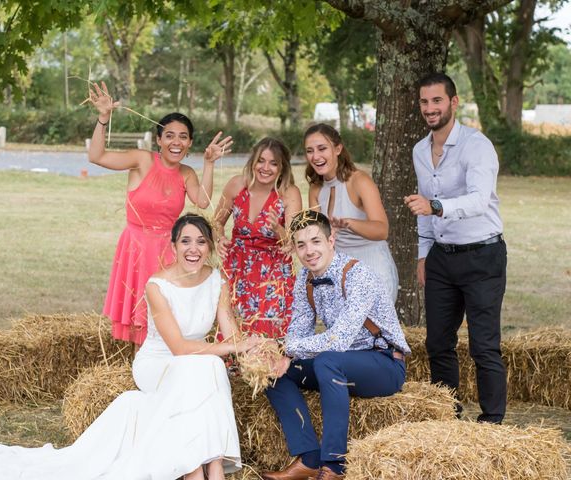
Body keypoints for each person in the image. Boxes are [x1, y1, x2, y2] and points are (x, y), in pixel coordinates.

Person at [0, 214, 262, 480]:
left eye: (201, 242)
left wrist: (253, 349)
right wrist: (228, 350)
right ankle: (197, 469)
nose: (194, 249)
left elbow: (230, 333)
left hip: (195, 362)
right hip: (159, 363)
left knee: (208, 366)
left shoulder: (218, 280)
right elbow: (177, 347)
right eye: (185, 241)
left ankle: (212, 465)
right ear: (173, 245)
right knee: (207, 365)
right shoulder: (157, 286)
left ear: (209, 247)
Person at [261, 210, 410, 480]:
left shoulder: (358, 275)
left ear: (332, 240)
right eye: (301, 244)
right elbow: (299, 328)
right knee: (271, 372)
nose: (309, 251)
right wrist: (282, 356)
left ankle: (335, 466)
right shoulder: (304, 278)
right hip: (341, 365)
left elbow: (338, 339)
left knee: (326, 359)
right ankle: (309, 458)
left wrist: (288, 349)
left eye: (316, 241)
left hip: (384, 364)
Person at [87, 81, 233, 347]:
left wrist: (209, 163)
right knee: (136, 311)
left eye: (183, 137)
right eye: (170, 135)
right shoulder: (142, 160)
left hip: (167, 250)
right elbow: (96, 156)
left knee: (164, 315)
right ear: (159, 140)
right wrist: (103, 117)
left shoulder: (186, 173)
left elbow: (202, 201)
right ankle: (141, 361)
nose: (176, 142)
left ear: (189, 143)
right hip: (135, 247)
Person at [404, 72, 507, 424]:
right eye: (424, 101)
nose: (430, 108)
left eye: (437, 100)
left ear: (453, 102)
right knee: (438, 343)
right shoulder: (420, 150)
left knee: (484, 346)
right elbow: (422, 207)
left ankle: (492, 421)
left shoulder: (477, 146)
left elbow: (480, 200)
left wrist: (436, 206)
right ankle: (446, 417)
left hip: (483, 256)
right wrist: (423, 254)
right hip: (441, 260)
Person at [214, 137, 302, 337]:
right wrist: (219, 238)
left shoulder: (289, 193)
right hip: (237, 267)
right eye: (261, 160)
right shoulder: (236, 185)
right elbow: (217, 222)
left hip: (272, 273)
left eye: (273, 163)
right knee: (232, 327)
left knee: (267, 333)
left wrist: (277, 229)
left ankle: (265, 366)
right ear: (253, 161)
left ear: (282, 168)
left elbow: (293, 242)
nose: (266, 167)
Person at [304, 124, 399, 302]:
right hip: (337, 272)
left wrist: (349, 223)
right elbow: (317, 236)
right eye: (310, 151)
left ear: (338, 148)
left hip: (371, 267)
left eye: (322, 148)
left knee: (367, 329)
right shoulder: (315, 189)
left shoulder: (359, 181)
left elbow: (382, 230)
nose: (315, 156)